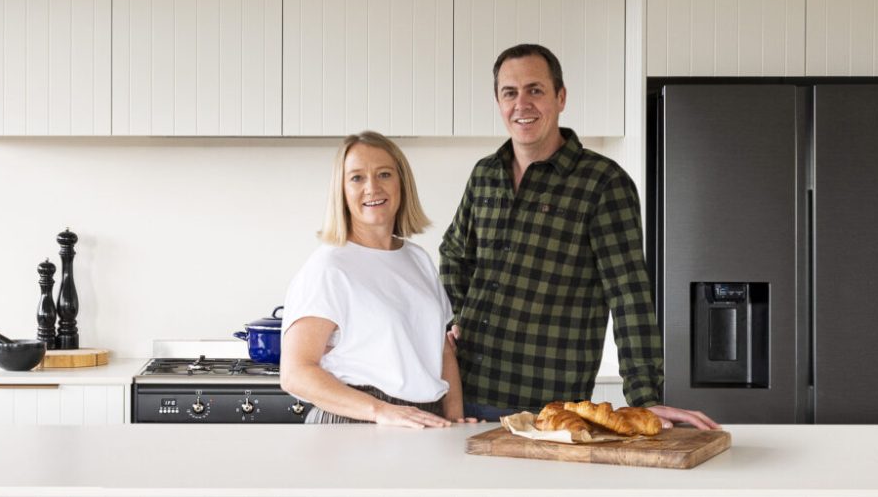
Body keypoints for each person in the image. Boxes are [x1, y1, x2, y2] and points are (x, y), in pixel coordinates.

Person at [441, 43, 675, 424]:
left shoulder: (603, 183)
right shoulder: (485, 174)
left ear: (560, 97)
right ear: (499, 102)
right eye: (510, 93)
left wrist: (644, 398)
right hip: (464, 395)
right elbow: (453, 253)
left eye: (535, 90)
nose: (522, 104)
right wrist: (457, 316)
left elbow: (629, 294)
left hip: (547, 408)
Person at [280, 131, 465, 428]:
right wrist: (380, 410)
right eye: (356, 178)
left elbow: (441, 348)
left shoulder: (417, 259)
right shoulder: (329, 267)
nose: (372, 187)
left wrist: (455, 417)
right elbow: (296, 373)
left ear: (401, 183)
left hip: (422, 421)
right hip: (356, 423)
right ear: (340, 191)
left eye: (384, 174)